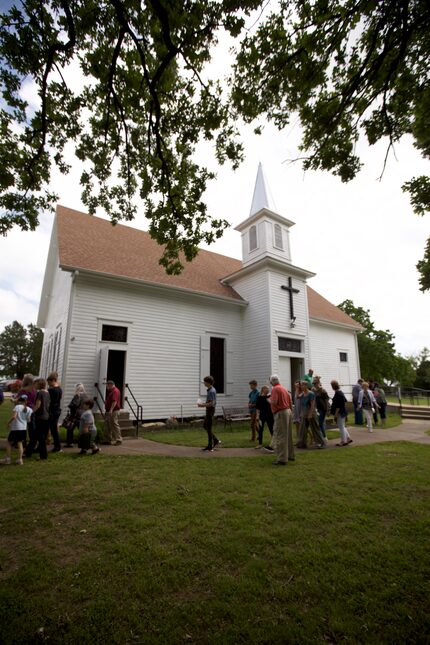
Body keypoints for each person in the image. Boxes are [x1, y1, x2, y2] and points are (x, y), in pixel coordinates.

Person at [268, 374, 294, 465]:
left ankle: (282, 459)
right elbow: (290, 401)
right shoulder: (284, 389)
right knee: (288, 435)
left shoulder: (275, 389)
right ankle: (290, 455)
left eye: (270, 381)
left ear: (273, 381)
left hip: (280, 412)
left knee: (280, 435)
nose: (270, 383)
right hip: (288, 411)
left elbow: (274, 401)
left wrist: (269, 400)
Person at [0, 394, 33, 465]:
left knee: (8, 442)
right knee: (20, 443)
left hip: (16, 428)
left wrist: (8, 423)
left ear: (19, 400)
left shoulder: (17, 407)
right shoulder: (29, 409)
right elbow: (29, 420)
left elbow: (14, 417)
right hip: (23, 429)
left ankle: (8, 459)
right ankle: (20, 459)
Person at [296, 380, 326, 449]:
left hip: (311, 414)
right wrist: (297, 388)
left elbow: (313, 405)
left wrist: (310, 414)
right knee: (302, 429)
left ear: (306, 386)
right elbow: (297, 396)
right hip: (304, 414)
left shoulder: (311, 394)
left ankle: (321, 443)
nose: (301, 386)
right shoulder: (303, 394)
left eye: (303, 385)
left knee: (315, 429)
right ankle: (302, 443)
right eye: (301, 385)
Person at [26, 379, 51, 460]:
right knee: (34, 436)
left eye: (35, 383)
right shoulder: (47, 392)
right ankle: (28, 452)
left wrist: (31, 412)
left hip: (40, 417)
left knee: (40, 437)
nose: (34, 385)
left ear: (39, 384)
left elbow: (38, 405)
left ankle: (43, 456)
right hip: (46, 417)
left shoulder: (40, 393)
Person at [198, 375, 220, 451]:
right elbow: (210, 402)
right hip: (209, 410)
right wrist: (204, 403)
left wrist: (202, 405)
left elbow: (211, 403)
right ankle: (215, 440)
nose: (204, 383)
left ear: (208, 382)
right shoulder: (210, 390)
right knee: (205, 426)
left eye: (205, 381)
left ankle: (210, 446)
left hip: (210, 410)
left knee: (209, 428)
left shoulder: (211, 391)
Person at [330, 380, 353, 446]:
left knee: (341, 427)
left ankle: (343, 441)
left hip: (340, 412)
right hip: (343, 411)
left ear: (333, 386)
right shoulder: (340, 392)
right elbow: (345, 401)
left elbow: (338, 406)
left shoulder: (338, 394)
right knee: (342, 426)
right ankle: (348, 438)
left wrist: (336, 414)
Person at [47, 372, 63, 452]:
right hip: (57, 410)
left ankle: (57, 447)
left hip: (52, 411)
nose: (48, 384)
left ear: (53, 380)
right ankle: (57, 446)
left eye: (49, 382)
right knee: (54, 430)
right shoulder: (59, 389)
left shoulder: (51, 390)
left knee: (53, 430)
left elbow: (49, 401)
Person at [103, 380, 122, 445]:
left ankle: (118, 440)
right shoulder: (111, 391)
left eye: (107, 386)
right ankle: (107, 440)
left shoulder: (115, 391)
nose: (106, 387)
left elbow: (115, 401)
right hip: (109, 411)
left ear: (110, 385)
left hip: (113, 411)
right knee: (107, 425)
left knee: (114, 424)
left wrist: (111, 409)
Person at [255, 385, 274, 449]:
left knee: (271, 429)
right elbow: (257, 408)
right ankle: (260, 444)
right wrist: (257, 416)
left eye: (268, 389)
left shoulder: (270, 396)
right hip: (262, 416)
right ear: (263, 389)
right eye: (267, 389)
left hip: (270, 415)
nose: (268, 390)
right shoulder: (259, 398)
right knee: (260, 429)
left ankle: (274, 443)